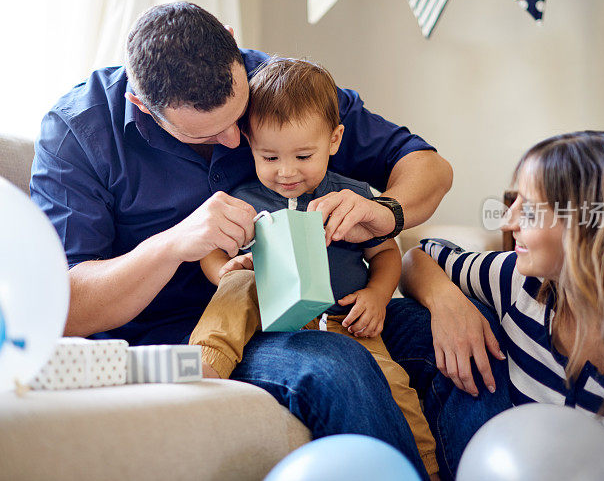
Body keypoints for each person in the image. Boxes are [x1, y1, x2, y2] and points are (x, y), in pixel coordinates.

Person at [30, 2, 453, 479]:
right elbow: (62, 307)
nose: (236, 141)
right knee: (336, 364)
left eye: (239, 117)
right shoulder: (78, 132)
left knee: (444, 335)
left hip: (328, 303)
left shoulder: (281, 86)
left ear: (233, 41)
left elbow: (428, 166)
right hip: (184, 329)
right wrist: (171, 244)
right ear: (142, 106)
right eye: (206, 134)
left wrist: (384, 213)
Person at [396, 131, 604, 480]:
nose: (507, 223)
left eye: (528, 210)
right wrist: (446, 302)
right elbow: (418, 256)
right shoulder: (516, 282)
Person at [188, 57, 439, 478]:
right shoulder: (243, 200)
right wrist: (226, 269)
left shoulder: (353, 197)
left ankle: (427, 471)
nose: (286, 173)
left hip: (349, 325)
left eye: (304, 156)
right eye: (268, 157)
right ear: (248, 143)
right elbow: (206, 251)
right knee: (241, 283)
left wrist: (378, 296)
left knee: (398, 392)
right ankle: (207, 358)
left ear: (335, 140)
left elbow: (386, 253)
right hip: (274, 325)